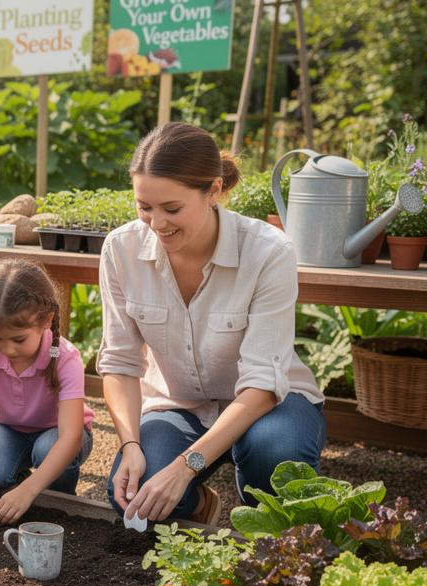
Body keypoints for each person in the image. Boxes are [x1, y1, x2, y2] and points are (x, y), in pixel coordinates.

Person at [98, 122, 326, 526]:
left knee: (275, 462)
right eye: (144, 207)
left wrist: (186, 466)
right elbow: (119, 362)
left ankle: (252, 493)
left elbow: (262, 384)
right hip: (177, 402)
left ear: (214, 191)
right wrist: (131, 445)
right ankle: (201, 504)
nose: (156, 223)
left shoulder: (268, 252)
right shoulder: (121, 249)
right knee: (138, 499)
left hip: (269, 403)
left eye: (172, 209)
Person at [0, 259, 96, 524]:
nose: (8, 349)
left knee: (48, 450)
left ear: (47, 320)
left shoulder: (65, 358)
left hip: (59, 433)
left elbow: (70, 437)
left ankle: (58, 504)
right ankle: (18, 490)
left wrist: (29, 491)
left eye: (19, 339)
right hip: (8, 430)